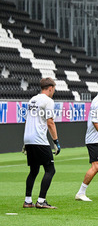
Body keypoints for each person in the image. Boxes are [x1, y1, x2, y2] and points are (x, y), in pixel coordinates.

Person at [23, 77, 61, 209]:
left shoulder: (32, 99)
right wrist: (56, 142)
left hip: (29, 139)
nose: (53, 92)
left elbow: (27, 120)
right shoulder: (48, 101)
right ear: (50, 88)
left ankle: (28, 201)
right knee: (50, 169)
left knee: (34, 170)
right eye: (53, 89)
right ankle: (41, 201)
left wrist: (25, 142)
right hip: (39, 139)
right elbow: (50, 122)